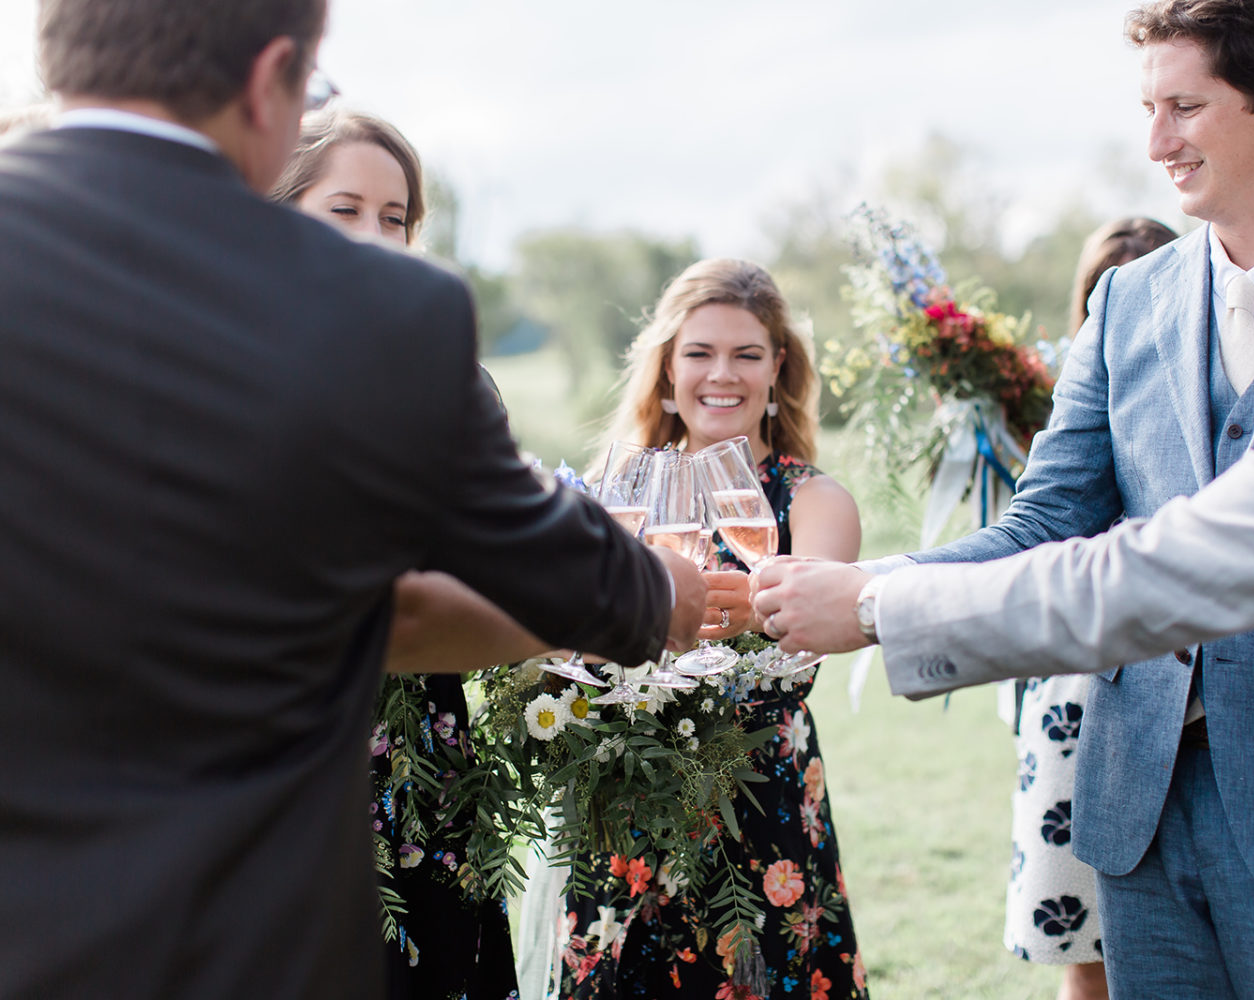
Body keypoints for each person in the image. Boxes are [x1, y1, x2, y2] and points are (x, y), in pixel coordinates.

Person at [756, 2, 1254, 996]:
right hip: (1137, 807)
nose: (1155, 142)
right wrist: (872, 581)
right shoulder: (1131, 300)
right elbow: (1046, 522)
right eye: (1147, 107)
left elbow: (1171, 566)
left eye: (1185, 106)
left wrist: (877, 606)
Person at [0, 3, 705, 997]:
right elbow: (579, 578)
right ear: (272, 76)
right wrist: (662, 588)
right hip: (254, 950)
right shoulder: (380, 313)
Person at [553, 259, 868, 1000]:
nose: (720, 374)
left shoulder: (812, 499)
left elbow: (802, 617)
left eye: (746, 354)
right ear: (667, 369)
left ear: (776, 370)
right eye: (699, 352)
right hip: (628, 811)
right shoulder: (616, 491)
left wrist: (666, 610)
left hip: (759, 812)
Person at [270, 107, 520, 1000]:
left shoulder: (450, 379)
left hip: (423, 759)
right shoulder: (218, 368)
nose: (376, 235)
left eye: (396, 217)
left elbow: (508, 552)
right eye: (344, 209)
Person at [1006, 217, 1176, 1000]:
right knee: (1084, 922)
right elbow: (1039, 516)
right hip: (1074, 671)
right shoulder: (1066, 390)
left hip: (1169, 654)